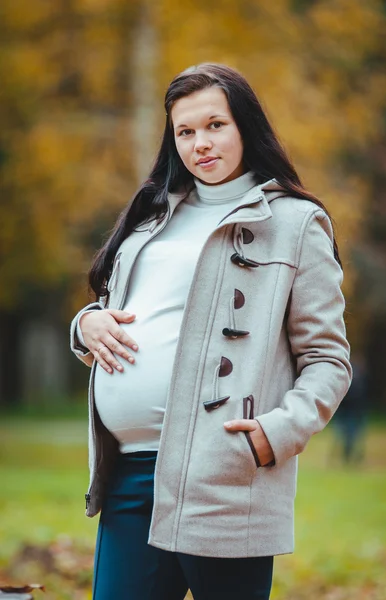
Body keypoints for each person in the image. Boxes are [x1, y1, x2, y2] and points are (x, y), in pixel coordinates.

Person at [70, 63, 352, 600]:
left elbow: (327, 360)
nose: (200, 143)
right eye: (185, 131)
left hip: (224, 477)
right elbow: (116, 308)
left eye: (215, 125)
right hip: (129, 476)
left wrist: (273, 437)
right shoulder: (150, 218)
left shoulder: (295, 224)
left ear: (245, 127)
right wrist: (87, 323)